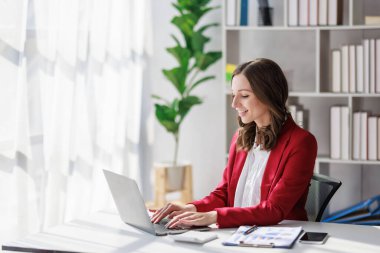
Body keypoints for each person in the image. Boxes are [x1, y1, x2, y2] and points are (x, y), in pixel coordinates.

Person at [151, 58, 317, 228]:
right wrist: (191, 208)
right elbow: (224, 193)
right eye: (233, 95)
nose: (234, 104)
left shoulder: (301, 142)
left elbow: (274, 209)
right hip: (237, 232)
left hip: (277, 235)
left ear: (268, 95)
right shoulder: (241, 137)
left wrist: (214, 216)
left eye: (244, 95)